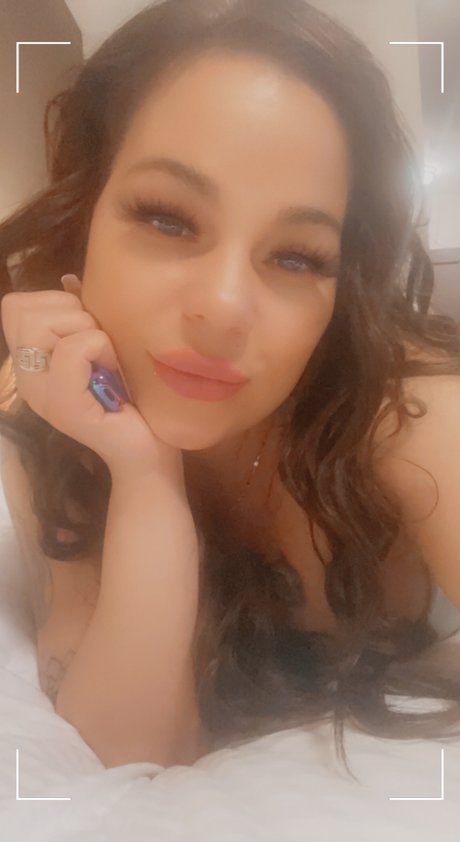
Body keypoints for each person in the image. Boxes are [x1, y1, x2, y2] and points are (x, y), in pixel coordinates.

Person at [1, 0, 460, 773]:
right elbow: (133, 755)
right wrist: (143, 475)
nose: (222, 309)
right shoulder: (46, 432)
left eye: (297, 256)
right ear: (82, 219)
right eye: (168, 218)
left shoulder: (403, 413)